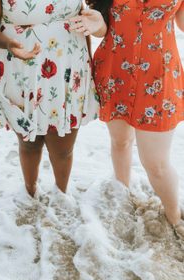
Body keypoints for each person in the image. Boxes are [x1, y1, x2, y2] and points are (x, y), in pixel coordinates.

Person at [70, 0, 184, 236]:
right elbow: (102, 26)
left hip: (158, 76)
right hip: (115, 70)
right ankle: (123, 195)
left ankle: (174, 218)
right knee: (120, 141)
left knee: (157, 164)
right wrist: (96, 24)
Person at [0, 0, 101, 200]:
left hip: (69, 65)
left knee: (63, 147)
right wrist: (8, 44)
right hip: (19, 67)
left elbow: (84, 13)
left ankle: (61, 199)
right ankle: (30, 194)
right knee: (29, 142)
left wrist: (90, 64)